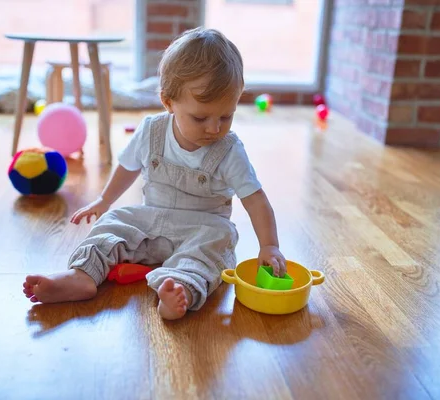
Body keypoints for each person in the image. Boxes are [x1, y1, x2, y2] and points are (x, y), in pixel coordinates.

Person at [22, 27, 286, 320]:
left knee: (219, 241)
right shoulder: (151, 131)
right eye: (200, 118)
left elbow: (256, 200)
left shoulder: (229, 150)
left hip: (202, 229)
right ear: (168, 102)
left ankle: (179, 288)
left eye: (226, 116)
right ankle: (82, 275)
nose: (214, 128)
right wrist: (104, 201)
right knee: (113, 223)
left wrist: (269, 245)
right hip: (151, 223)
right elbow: (127, 167)